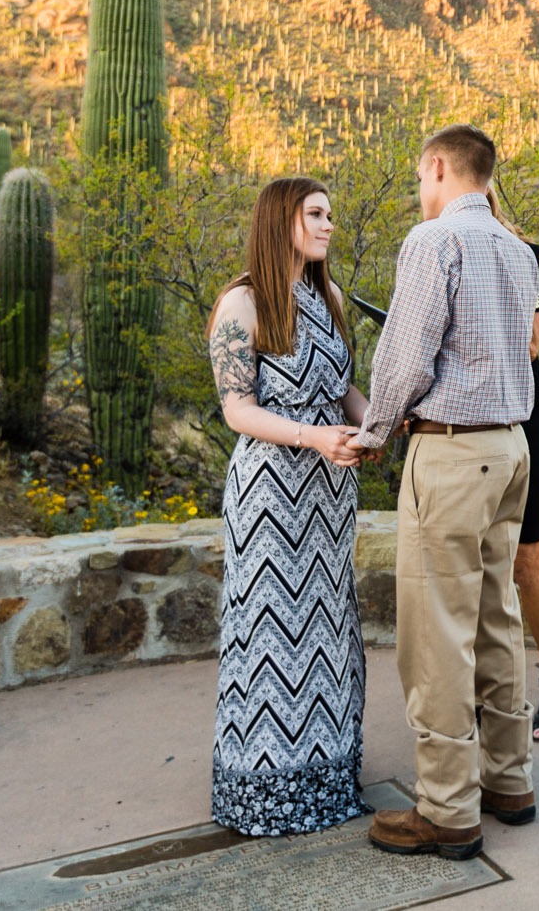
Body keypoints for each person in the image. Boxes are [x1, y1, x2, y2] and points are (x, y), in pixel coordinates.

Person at [355, 124, 539, 861]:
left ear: (437, 167)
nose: (419, 190)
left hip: (453, 452)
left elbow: (405, 353)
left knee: (436, 633)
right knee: (495, 612)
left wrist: (372, 432)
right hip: (511, 446)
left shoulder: (434, 242)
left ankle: (447, 809)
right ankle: (509, 780)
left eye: (420, 176)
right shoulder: (517, 249)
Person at [205, 177, 371, 836]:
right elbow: (236, 408)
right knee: (271, 633)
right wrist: (313, 435)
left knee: (327, 636)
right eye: (316, 213)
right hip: (272, 493)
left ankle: (325, 782)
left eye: (331, 213)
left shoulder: (325, 295)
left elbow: (342, 387)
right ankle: (264, 794)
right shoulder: (241, 302)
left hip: (331, 494)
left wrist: (372, 424)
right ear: (282, 220)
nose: (329, 224)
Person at [485, 189, 539, 741]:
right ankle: (488, 690)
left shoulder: (527, 254)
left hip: (520, 409)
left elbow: (532, 343)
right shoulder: (436, 254)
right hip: (462, 420)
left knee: (526, 557)